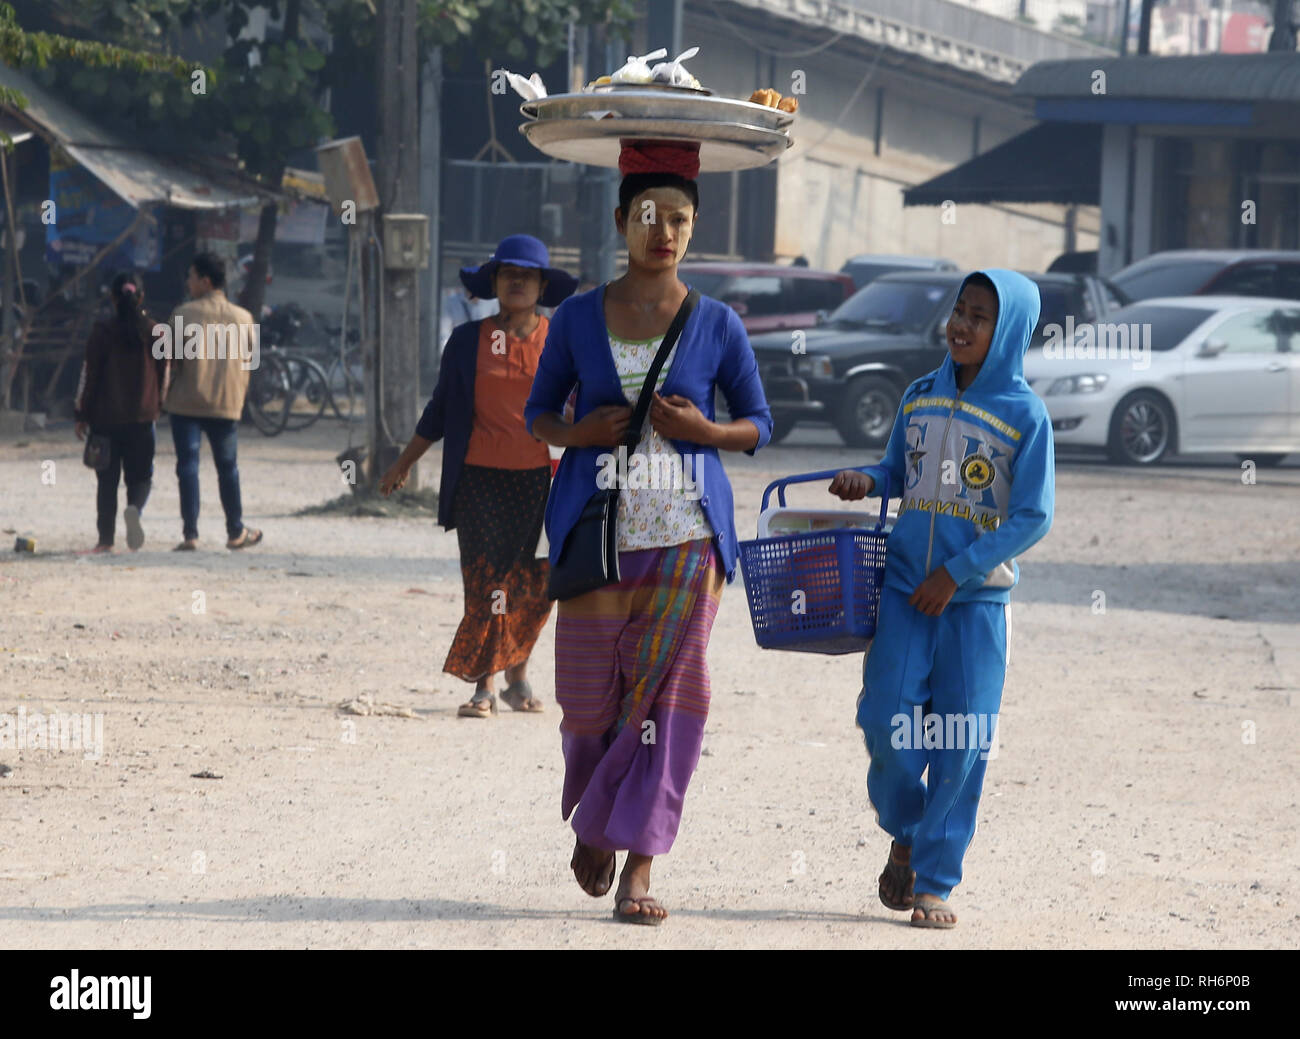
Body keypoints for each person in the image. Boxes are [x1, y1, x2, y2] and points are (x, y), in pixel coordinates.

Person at [525, 141, 773, 925]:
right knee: (589, 703)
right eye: (648, 216)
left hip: (688, 540)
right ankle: (598, 812)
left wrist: (706, 428)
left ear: (693, 230)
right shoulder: (573, 316)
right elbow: (538, 414)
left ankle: (638, 862)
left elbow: (760, 425)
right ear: (620, 221)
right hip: (597, 535)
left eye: (679, 219)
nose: (663, 231)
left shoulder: (718, 323)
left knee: (669, 699)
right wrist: (578, 430)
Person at [828, 269, 1054, 928]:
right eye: (960, 309)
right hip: (903, 589)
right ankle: (908, 826)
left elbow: (1034, 515)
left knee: (961, 741)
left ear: (1006, 329)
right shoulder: (920, 394)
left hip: (975, 603)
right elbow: (895, 470)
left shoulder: (1024, 414)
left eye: (980, 316)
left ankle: (933, 879)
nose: (962, 324)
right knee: (885, 722)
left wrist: (957, 572)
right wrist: (864, 479)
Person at [379, 235, 577, 717]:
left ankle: (518, 676)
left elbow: (583, 407)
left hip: (537, 482)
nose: (516, 281)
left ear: (541, 285)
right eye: (507, 273)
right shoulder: (468, 341)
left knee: (531, 580)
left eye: (526, 275)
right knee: (486, 582)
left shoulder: (559, 341)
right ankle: (484, 687)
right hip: (478, 482)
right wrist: (405, 461)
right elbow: (440, 409)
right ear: (493, 282)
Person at [163, 251, 262, 551]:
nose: (188, 282)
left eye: (191, 277)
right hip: (226, 404)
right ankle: (235, 532)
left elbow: (168, 359)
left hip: (185, 403)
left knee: (188, 466)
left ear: (205, 281)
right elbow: (252, 362)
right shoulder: (245, 318)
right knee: (228, 468)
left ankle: (190, 535)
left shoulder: (182, 314)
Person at [73, 271, 169, 553]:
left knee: (106, 480)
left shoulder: (101, 331)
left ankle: (105, 541)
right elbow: (165, 376)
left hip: (105, 419)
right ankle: (134, 510)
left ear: (113, 298)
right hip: (142, 418)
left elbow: (88, 375)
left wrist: (81, 413)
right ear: (141, 297)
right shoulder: (157, 332)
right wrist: (157, 407)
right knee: (140, 477)